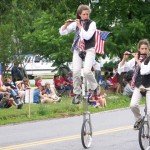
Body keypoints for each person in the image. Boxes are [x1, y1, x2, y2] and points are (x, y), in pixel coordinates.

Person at [59, 4, 98, 104]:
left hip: (89, 49)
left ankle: (94, 87)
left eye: (87, 14)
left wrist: (80, 27)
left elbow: (88, 36)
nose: (86, 16)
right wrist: (66, 25)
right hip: (78, 49)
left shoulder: (92, 23)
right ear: (79, 15)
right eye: (84, 14)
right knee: (75, 72)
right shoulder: (76, 23)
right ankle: (77, 94)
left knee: (86, 71)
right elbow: (62, 32)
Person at [118, 39, 150, 130]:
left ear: (148, 49)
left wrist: (137, 60)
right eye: (142, 49)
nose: (143, 50)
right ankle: (139, 119)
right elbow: (122, 69)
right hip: (139, 86)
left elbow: (145, 70)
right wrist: (124, 58)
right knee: (133, 105)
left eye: (145, 48)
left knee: (149, 113)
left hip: (149, 87)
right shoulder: (136, 59)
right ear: (139, 49)